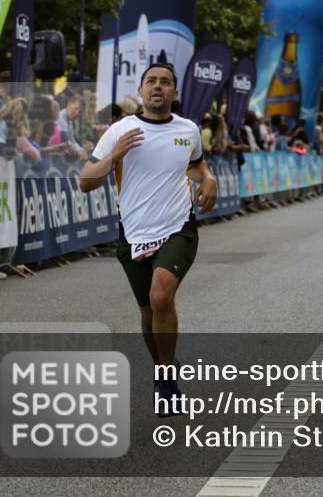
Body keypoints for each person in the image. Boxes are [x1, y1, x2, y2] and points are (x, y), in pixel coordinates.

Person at [80, 63, 216, 415]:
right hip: (133, 232)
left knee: (160, 296)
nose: (158, 87)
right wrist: (114, 155)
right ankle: (161, 372)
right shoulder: (120, 131)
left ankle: (168, 379)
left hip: (177, 227)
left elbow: (197, 166)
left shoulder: (188, 130)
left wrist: (209, 179)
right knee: (147, 310)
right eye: (151, 81)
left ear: (174, 92)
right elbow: (85, 181)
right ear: (141, 90)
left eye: (166, 82)